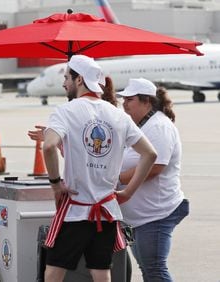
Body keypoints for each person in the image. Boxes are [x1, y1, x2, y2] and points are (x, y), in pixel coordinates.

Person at [40, 55, 157, 282]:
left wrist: (55, 184)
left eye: (66, 77)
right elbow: (150, 154)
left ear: (79, 79)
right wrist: (128, 192)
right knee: (101, 271)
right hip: (107, 212)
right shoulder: (118, 115)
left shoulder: (65, 111)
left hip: (75, 211)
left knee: (54, 270)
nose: (64, 83)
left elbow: (48, 146)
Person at [117, 78, 189, 282]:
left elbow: (155, 166)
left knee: (155, 269)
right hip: (141, 215)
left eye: (129, 100)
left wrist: (119, 179)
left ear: (146, 101)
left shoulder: (158, 126)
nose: (124, 104)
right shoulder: (141, 125)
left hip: (156, 214)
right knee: (149, 269)